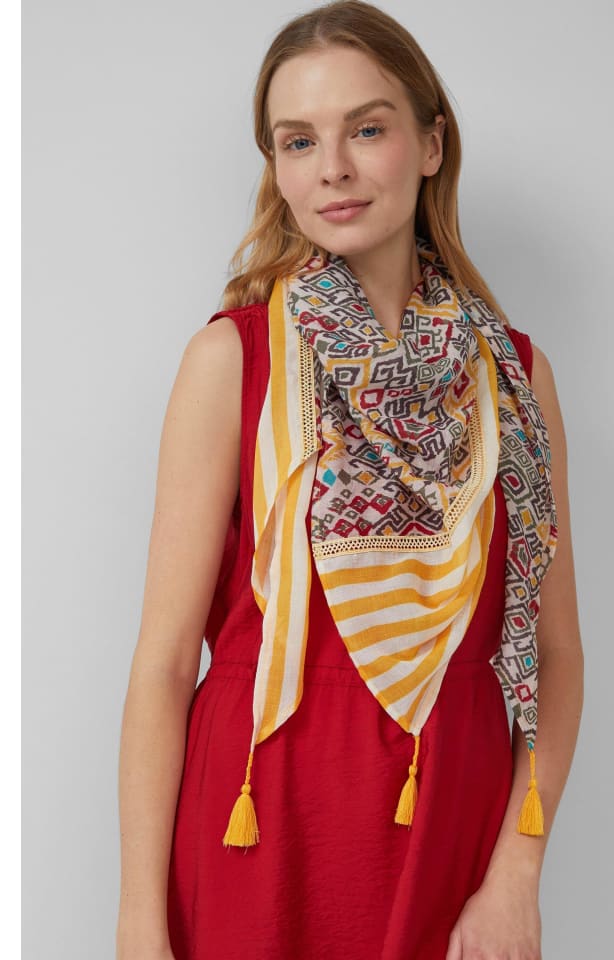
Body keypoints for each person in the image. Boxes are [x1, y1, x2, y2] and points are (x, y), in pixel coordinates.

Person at [115, 1, 584, 958]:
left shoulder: (514, 377)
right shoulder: (231, 362)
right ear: (277, 168)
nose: (330, 167)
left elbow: (555, 656)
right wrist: (138, 923)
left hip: (450, 829)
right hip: (259, 821)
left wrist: (517, 876)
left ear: (431, 144)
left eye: (366, 129)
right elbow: (163, 668)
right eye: (299, 141)